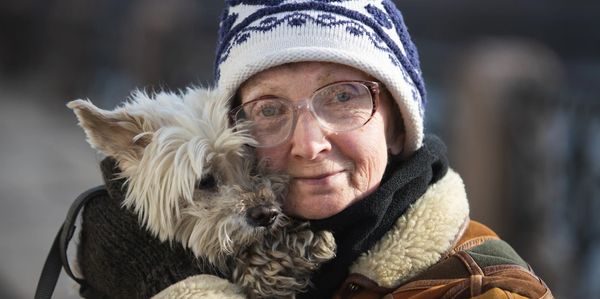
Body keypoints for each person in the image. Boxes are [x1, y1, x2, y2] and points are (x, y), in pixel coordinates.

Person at [75, 1, 553, 298]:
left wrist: (177, 288)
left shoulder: (481, 289)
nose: (307, 143)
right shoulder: (261, 246)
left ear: (396, 123)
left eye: (343, 97)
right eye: (269, 109)